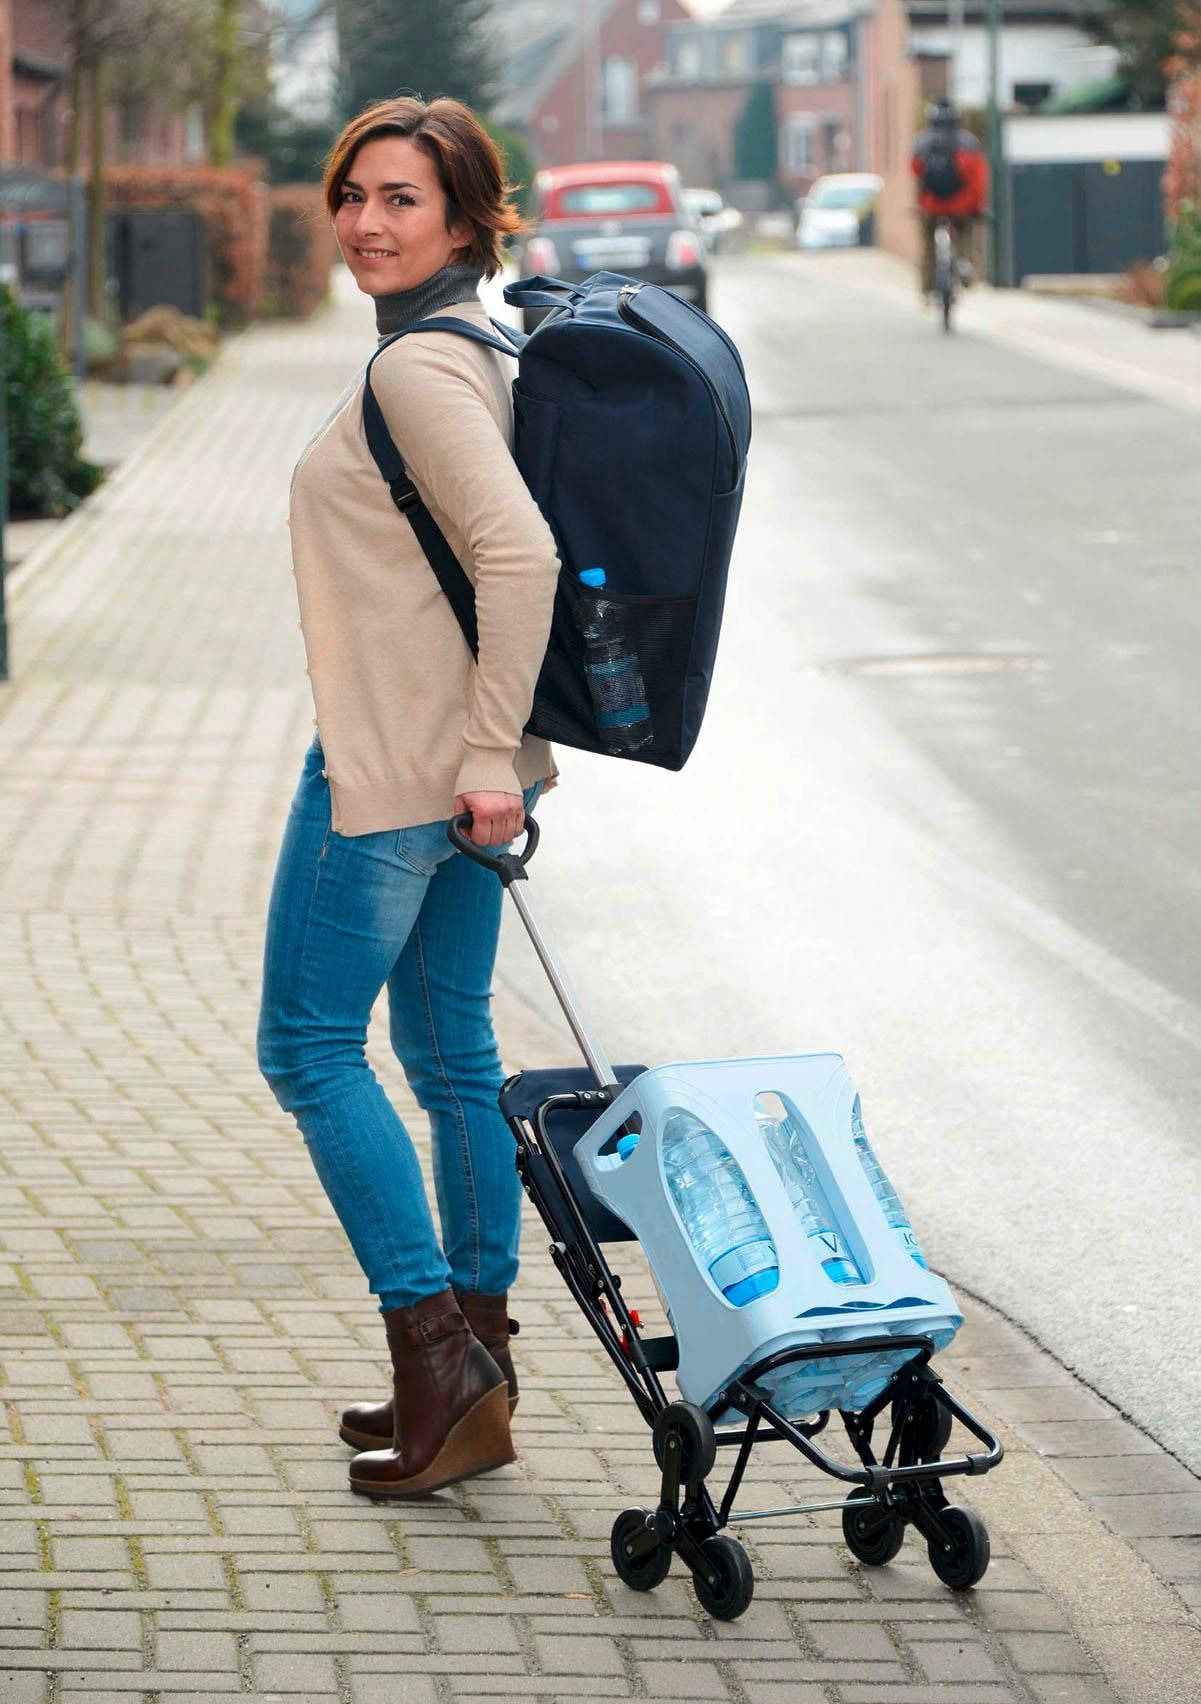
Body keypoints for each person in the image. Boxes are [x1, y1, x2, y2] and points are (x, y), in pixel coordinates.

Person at [257, 96, 561, 1499]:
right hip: (456, 770)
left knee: (309, 1049)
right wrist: (490, 756)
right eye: (354, 194)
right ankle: (473, 1370)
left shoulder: (419, 372)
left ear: (466, 219)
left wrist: (488, 750)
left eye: (403, 201)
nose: (367, 223)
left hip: (400, 769)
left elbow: (521, 559)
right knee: (449, 1062)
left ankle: (437, 1352)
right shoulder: (469, 341)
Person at [910, 98, 990, 298]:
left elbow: (916, 173)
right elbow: (978, 179)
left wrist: (920, 204)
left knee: (928, 243)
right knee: (964, 237)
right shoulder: (968, 142)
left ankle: (927, 287)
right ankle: (965, 267)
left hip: (931, 205)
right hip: (961, 205)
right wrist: (977, 206)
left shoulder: (921, 142)